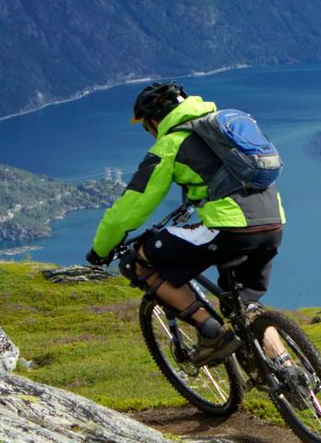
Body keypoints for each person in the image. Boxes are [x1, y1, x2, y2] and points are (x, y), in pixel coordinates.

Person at [87, 80, 285, 364]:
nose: (149, 133)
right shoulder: (221, 128)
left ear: (156, 120)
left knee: (136, 263)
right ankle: (289, 371)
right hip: (273, 222)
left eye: (146, 127)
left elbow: (132, 206)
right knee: (245, 306)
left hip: (230, 228)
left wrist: (100, 249)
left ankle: (210, 331)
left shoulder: (171, 143)